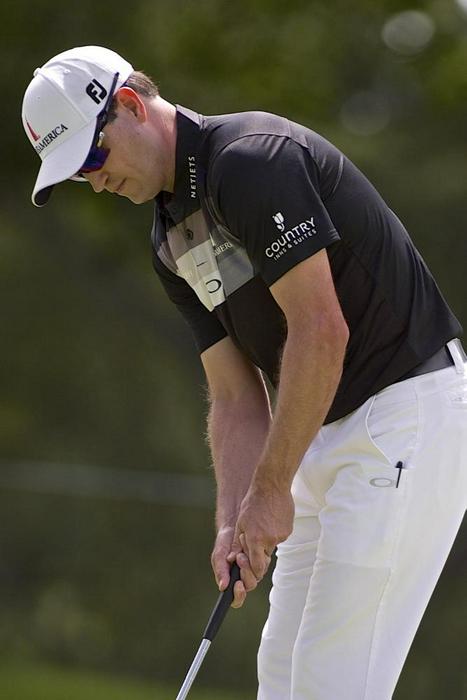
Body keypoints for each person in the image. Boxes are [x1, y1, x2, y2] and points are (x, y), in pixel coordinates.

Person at [22, 46, 467, 700]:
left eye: (92, 157)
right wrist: (234, 517)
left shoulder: (252, 161)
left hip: (404, 417)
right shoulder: (168, 240)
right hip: (317, 431)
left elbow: (321, 330)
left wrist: (271, 488)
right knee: (281, 677)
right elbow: (234, 394)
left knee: (329, 681)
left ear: (131, 106)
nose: (94, 181)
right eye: (75, 174)